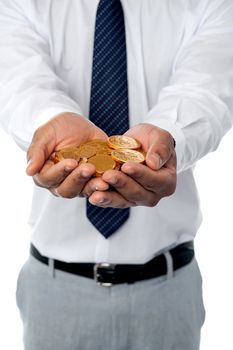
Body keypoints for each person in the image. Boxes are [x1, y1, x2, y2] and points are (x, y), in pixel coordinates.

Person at [0, 0, 233, 349]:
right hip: (54, 293)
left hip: (168, 293)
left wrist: (166, 136)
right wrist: (48, 121)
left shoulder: (210, 4)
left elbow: (206, 88)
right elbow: (18, 80)